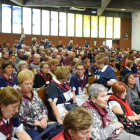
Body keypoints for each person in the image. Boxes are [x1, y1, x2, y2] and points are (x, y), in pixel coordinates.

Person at [17, 69, 56, 139]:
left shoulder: (34, 93)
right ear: (20, 83)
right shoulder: (17, 96)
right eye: (26, 84)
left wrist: (44, 119)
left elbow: (43, 107)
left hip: (42, 122)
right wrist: (38, 123)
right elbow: (21, 117)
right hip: (29, 127)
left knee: (56, 132)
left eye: (31, 83)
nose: (29, 86)